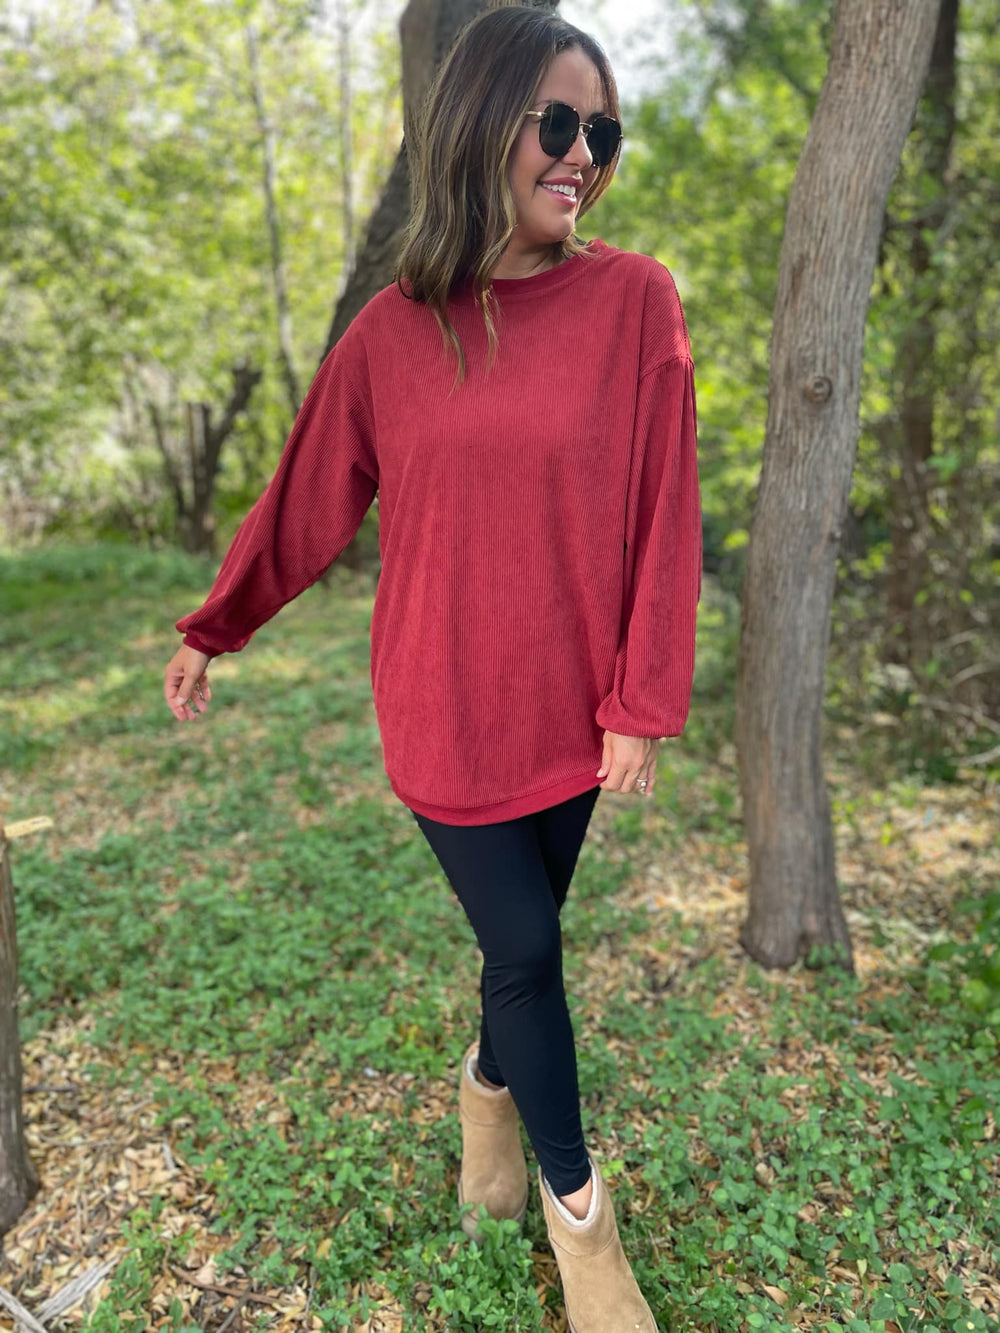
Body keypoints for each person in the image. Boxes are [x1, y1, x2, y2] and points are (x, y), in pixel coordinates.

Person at [163, 4, 701, 1328]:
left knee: (522, 952)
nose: (583, 155)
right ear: (479, 126)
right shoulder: (395, 333)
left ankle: (486, 1099)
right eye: (558, 123)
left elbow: (665, 510)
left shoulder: (635, 301)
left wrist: (641, 699)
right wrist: (215, 623)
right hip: (443, 710)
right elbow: (305, 497)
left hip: (573, 713)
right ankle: (585, 1232)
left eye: (604, 133)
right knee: (526, 946)